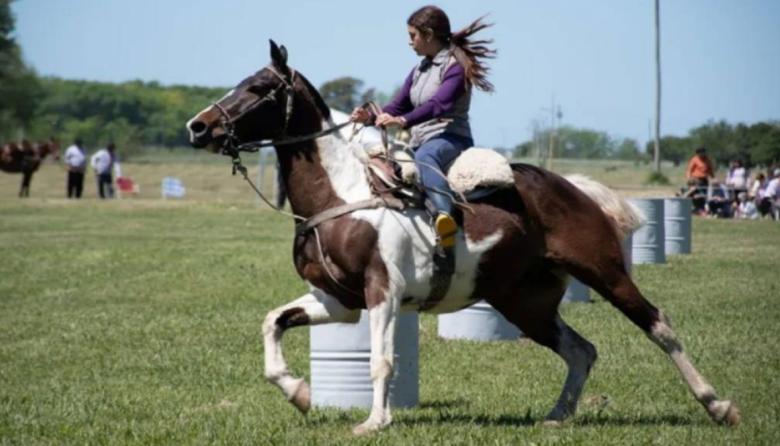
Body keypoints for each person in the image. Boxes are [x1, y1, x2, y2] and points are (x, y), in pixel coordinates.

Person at [351, 5, 495, 250]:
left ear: (428, 34)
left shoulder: (457, 66)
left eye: (412, 35)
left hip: (451, 139)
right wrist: (371, 117)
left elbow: (439, 104)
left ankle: (444, 218)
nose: (410, 42)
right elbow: (397, 105)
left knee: (426, 158)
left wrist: (404, 121)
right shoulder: (420, 69)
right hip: (420, 140)